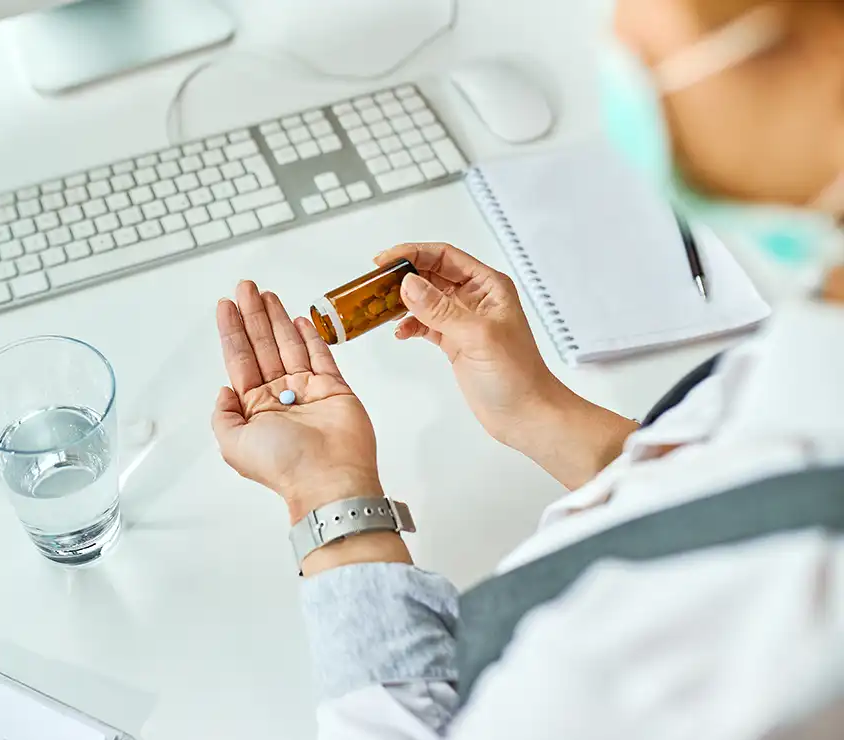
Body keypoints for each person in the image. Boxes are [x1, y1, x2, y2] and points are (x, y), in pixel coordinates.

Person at [210, 0, 844, 737]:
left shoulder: (705, 632)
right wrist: (539, 411)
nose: (621, 38)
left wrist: (329, 499)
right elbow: (733, 484)